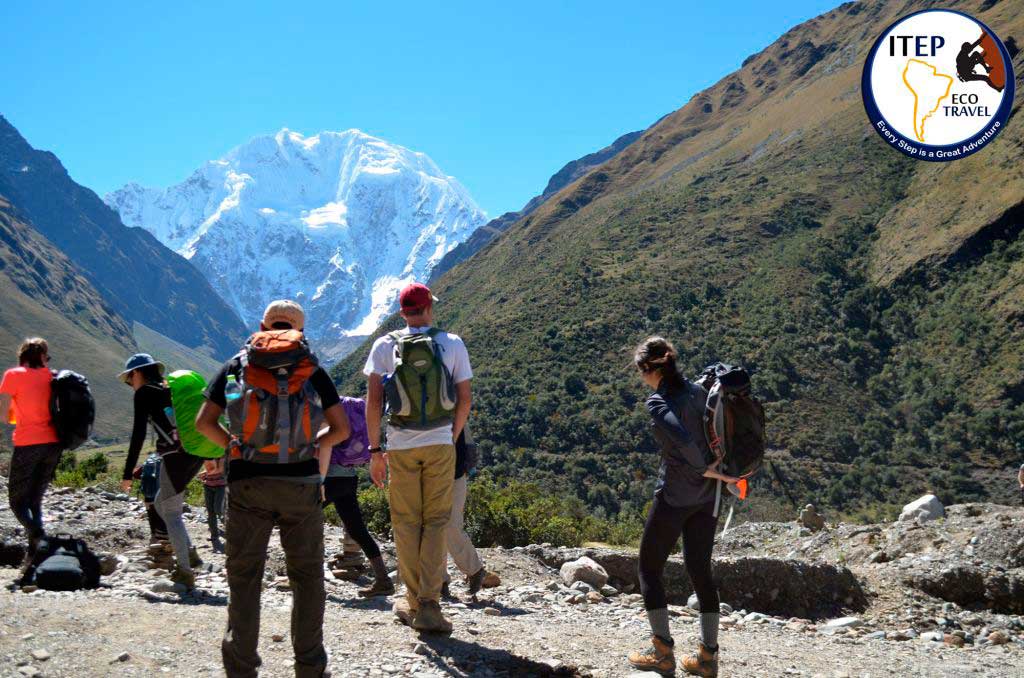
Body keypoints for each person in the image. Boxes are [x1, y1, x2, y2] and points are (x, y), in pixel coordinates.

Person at [196, 299, 349, 678]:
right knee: (308, 578)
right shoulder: (311, 367)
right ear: (300, 330)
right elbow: (342, 429)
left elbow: (203, 423)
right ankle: (310, 668)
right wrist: (316, 443)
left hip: (248, 482)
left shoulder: (238, 364)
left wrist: (234, 447)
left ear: (263, 324)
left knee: (245, 578)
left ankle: (242, 668)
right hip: (302, 485)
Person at [627, 336, 741, 678]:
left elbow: (683, 441)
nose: (641, 378)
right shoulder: (699, 391)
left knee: (648, 568)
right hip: (707, 498)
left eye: (640, 371)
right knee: (700, 570)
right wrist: (718, 475)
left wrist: (703, 468)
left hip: (675, 496)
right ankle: (708, 659)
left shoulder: (658, 403)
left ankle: (662, 651)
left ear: (650, 370)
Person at [366, 282, 472, 633]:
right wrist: (451, 437)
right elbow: (464, 399)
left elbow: (373, 403)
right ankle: (430, 604)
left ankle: (412, 603)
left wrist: (375, 451)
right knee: (437, 521)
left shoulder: (385, 345)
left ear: (402, 313)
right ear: (430, 308)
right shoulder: (452, 343)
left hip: (399, 445)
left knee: (406, 523)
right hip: (440, 443)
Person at [118, 353, 204, 588]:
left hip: (175, 456)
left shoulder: (145, 392)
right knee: (159, 503)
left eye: (129, 379)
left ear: (137, 373)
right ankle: (191, 553)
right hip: (197, 451)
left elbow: (138, 434)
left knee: (172, 512)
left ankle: (185, 572)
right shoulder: (169, 388)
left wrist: (127, 474)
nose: (130, 384)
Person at [322, 396, 394, 597]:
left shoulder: (338, 406)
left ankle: (302, 577)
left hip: (329, 476)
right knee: (357, 529)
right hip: (349, 477)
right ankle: (383, 579)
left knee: (301, 519)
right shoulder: (368, 412)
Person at [0, 338, 61, 568]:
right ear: (42, 357)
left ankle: (38, 535)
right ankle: (34, 558)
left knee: (17, 502)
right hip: (53, 444)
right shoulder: (52, 376)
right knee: (35, 501)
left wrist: (21, 413)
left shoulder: (13, 375)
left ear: (22, 356)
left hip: (28, 444)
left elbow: (3, 416)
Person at [441, 425, 500, 598]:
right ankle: (440, 582)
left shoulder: (450, 404)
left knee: (451, 525)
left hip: (454, 474)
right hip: (433, 474)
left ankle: (475, 570)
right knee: (432, 528)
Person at [200, 458, 227, 552]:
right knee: (210, 512)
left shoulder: (222, 455)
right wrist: (204, 473)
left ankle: (233, 530)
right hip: (208, 485)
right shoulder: (206, 454)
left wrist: (206, 473)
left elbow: (220, 469)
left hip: (221, 486)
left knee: (218, 510)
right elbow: (208, 469)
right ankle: (214, 535)